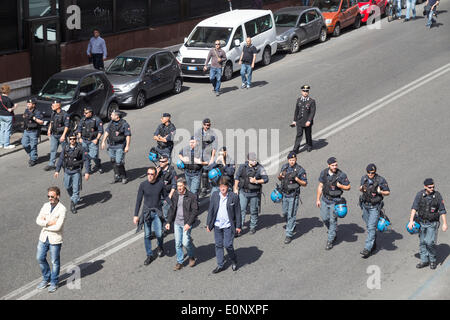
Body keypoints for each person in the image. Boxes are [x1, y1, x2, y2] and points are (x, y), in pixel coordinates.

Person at [408, 178, 447, 269]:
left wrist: (445, 223)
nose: (432, 189)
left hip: (432, 223)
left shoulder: (437, 196)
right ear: (425, 187)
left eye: (433, 187)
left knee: (429, 242)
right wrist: (411, 221)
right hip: (421, 223)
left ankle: (432, 260)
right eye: (430, 187)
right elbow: (414, 208)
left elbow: (442, 210)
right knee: (422, 242)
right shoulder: (420, 195)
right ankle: (424, 260)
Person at [207, 177, 242, 273]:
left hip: (228, 225)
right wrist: (208, 224)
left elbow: (238, 212)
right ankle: (220, 265)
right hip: (217, 225)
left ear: (227, 187)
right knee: (218, 245)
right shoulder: (214, 195)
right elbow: (211, 210)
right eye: (221, 186)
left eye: (224, 186)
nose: (222, 188)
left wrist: (238, 226)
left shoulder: (233, 197)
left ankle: (234, 260)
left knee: (228, 244)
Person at [134, 167, 167, 266]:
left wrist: (172, 206)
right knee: (147, 235)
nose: (149, 176)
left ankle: (160, 246)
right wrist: (136, 215)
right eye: (148, 173)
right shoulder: (143, 185)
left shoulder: (160, 184)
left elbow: (165, 197)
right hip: (146, 213)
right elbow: (138, 200)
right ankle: (149, 255)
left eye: (152, 174)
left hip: (157, 212)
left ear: (155, 175)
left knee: (159, 234)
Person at [35, 186, 66, 293]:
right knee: (40, 258)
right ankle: (46, 277)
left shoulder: (62, 209)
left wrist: (44, 222)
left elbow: (58, 227)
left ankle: (54, 282)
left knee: (55, 261)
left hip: (55, 239)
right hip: (43, 237)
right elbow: (38, 220)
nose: (50, 198)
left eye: (52, 196)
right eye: (48, 196)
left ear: (58, 196)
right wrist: (48, 223)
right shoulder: (45, 206)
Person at [316, 157, 351, 250]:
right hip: (325, 199)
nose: (335, 167)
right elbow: (320, 186)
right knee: (324, 218)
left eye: (336, 165)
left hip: (335, 202)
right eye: (333, 165)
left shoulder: (341, 175)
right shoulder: (324, 173)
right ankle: (333, 230)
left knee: (332, 221)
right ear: (328, 165)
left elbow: (348, 187)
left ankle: (330, 240)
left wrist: (341, 186)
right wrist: (318, 199)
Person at [165, 178, 199, 270]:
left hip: (186, 223)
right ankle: (179, 262)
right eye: (177, 186)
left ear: (184, 185)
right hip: (177, 223)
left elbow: (195, 211)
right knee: (178, 243)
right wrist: (168, 222)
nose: (179, 188)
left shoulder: (191, 196)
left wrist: (188, 223)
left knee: (186, 242)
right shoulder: (175, 195)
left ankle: (191, 256)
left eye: (180, 186)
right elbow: (172, 209)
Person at [358, 164, 390, 258]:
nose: (371, 174)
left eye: (372, 173)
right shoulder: (364, 178)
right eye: (369, 172)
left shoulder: (380, 180)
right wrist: (361, 189)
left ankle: (367, 249)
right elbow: (362, 189)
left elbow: (387, 192)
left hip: (374, 207)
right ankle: (373, 242)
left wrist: (380, 192)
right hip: (365, 205)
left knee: (371, 227)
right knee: (368, 226)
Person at [54, 132, 90, 214]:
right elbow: (61, 159)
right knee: (67, 186)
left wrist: (87, 172)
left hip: (76, 171)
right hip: (67, 171)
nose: (72, 140)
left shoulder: (81, 148)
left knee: (76, 189)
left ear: (76, 139)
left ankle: (73, 204)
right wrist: (57, 170)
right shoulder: (66, 148)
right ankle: (74, 197)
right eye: (71, 139)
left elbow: (86, 160)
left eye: (74, 139)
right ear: (69, 140)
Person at [234, 152, 269, 235]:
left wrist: (256, 181)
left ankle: (252, 227)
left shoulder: (260, 168)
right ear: (248, 160)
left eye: (255, 160)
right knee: (241, 210)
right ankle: (239, 228)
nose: (254, 162)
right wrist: (235, 188)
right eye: (252, 160)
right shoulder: (242, 167)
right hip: (243, 192)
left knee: (254, 211)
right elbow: (237, 177)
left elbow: (266, 179)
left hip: (254, 194)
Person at [277, 151, 307, 244]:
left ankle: (289, 234)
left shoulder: (300, 170)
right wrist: (280, 176)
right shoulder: (284, 167)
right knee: (285, 213)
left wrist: (297, 179)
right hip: (285, 194)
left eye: (293, 160)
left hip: (293, 196)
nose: (292, 161)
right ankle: (292, 224)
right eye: (290, 160)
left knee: (291, 215)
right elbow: (279, 178)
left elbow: (305, 183)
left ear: (296, 159)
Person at [101, 110, 131, 184]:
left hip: (120, 145)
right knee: (113, 160)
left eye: (112, 115)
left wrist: (127, 146)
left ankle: (124, 176)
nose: (110, 116)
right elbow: (107, 131)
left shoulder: (124, 124)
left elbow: (128, 135)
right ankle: (117, 175)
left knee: (119, 162)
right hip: (111, 145)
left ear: (117, 116)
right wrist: (103, 141)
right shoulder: (111, 123)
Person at [194, 118, 217, 197]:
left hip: (208, 155)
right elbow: (195, 143)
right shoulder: (198, 132)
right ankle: (197, 188)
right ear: (203, 124)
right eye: (206, 125)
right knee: (197, 172)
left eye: (209, 125)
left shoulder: (213, 133)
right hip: (199, 154)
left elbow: (214, 147)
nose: (207, 126)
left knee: (205, 172)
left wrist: (212, 158)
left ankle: (204, 188)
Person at [44, 100, 70, 171]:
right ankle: (51, 164)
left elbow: (66, 126)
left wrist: (63, 135)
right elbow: (51, 122)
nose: (51, 106)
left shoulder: (65, 114)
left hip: (61, 135)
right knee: (53, 150)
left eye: (53, 105)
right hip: (54, 135)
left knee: (66, 150)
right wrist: (49, 130)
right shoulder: (53, 113)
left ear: (58, 106)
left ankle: (68, 163)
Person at [76, 106, 103, 174]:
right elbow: (79, 129)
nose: (84, 114)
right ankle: (88, 170)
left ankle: (98, 164)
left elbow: (100, 131)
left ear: (90, 113)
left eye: (86, 113)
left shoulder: (97, 120)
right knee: (85, 155)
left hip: (92, 141)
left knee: (94, 156)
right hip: (84, 140)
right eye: (84, 113)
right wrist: (79, 138)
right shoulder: (83, 120)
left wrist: (97, 139)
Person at [291, 85, 316, 153]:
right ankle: (295, 149)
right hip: (299, 121)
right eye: (304, 91)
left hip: (307, 122)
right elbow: (296, 111)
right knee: (299, 135)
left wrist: (309, 121)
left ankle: (309, 145)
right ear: (301, 92)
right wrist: (294, 121)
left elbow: (312, 112)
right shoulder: (298, 100)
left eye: (306, 91)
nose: (305, 92)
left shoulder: (311, 101)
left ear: (308, 92)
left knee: (308, 134)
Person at [157, 154, 177, 234]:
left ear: (167, 162)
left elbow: (174, 185)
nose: (161, 163)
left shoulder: (172, 171)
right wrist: (156, 174)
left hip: (167, 195)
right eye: (160, 161)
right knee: (158, 212)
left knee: (165, 213)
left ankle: (165, 228)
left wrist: (169, 196)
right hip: (159, 194)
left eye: (163, 162)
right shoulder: (158, 170)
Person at [22, 98, 44, 166]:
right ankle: (32, 155)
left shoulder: (37, 112)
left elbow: (41, 122)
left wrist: (34, 118)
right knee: (24, 144)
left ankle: (33, 159)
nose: (27, 105)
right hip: (26, 130)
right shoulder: (26, 110)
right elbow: (24, 116)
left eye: (29, 104)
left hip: (33, 131)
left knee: (33, 146)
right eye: (27, 103)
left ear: (33, 105)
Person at [0, 84, 18, 149]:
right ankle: (6, 145)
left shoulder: (0, 98)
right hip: (7, 116)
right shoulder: (8, 99)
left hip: (1, 115)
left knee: (2, 130)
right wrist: (15, 106)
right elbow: (10, 109)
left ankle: (1, 144)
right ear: (8, 91)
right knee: (7, 130)